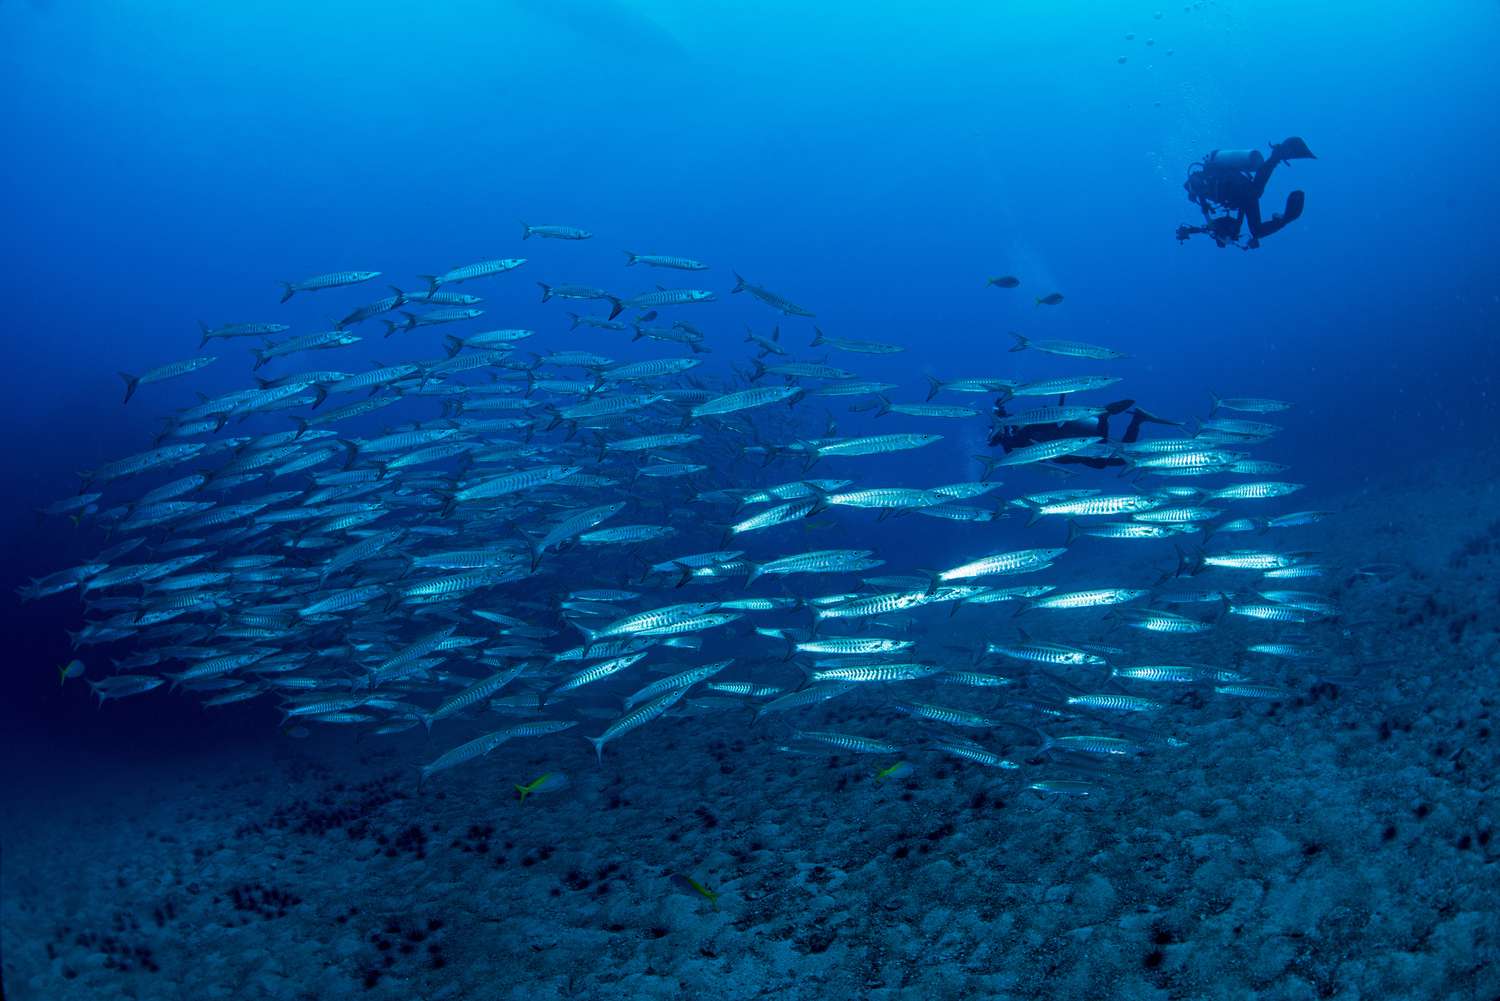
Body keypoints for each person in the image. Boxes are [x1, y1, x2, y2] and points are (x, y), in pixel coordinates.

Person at [1176, 137, 1316, 249]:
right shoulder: (1203, 187)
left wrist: (1200, 216)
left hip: (1237, 190)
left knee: (1255, 193)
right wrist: (1191, 231)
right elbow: (1211, 225)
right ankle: (1286, 216)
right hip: (1241, 194)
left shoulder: (1198, 185)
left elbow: (1208, 218)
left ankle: (1278, 155)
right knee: (1257, 227)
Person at [988, 397, 1180, 470]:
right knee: (1120, 459)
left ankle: (1109, 415)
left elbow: (1029, 439)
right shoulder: (1013, 438)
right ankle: (1130, 419)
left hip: (1075, 442)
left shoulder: (1016, 435)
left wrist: (1002, 418)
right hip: (1074, 446)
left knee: (1120, 458)